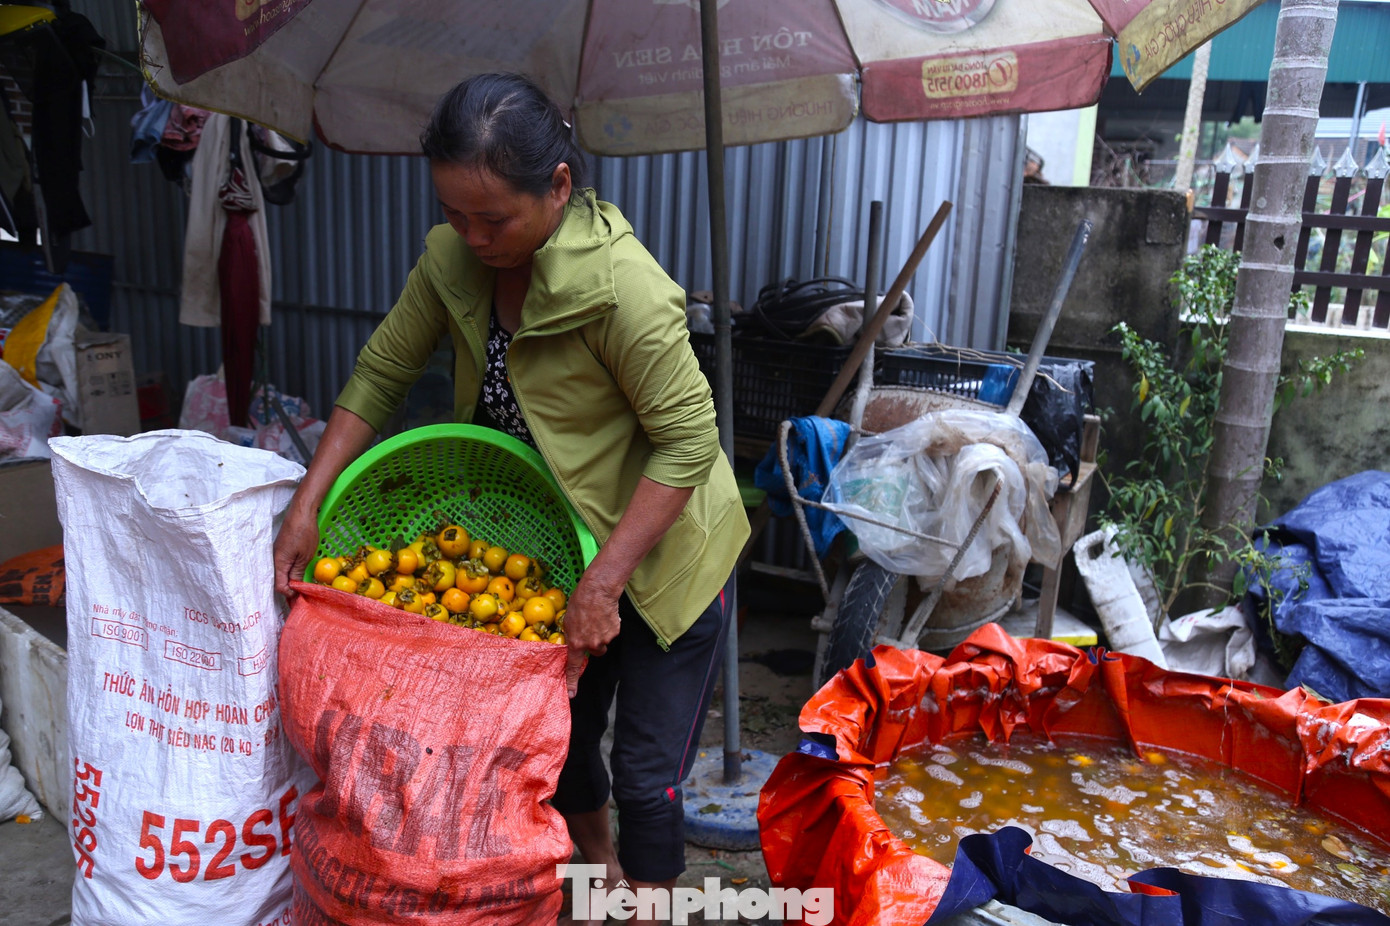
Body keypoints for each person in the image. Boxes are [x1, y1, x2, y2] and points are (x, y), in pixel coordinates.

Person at [270, 72, 750, 920]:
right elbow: (382, 373)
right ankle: (595, 871)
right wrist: (311, 497)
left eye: (492, 218)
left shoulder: (623, 292)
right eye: (455, 214)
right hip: (556, 548)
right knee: (558, 752)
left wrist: (607, 584)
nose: (472, 236)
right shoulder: (452, 261)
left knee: (647, 778)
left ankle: (650, 901)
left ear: (558, 186)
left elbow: (688, 443)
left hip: (661, 555)